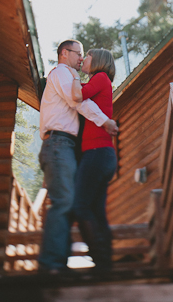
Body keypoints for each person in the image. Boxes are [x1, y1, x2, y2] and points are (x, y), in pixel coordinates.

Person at [38, 40, 119, 274]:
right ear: (65, 54)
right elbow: (78, 100)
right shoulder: (63, 72)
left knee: (72, 204)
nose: (81, 58)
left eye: (85, 55)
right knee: (66, 204)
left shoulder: (75, 76)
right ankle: (52, 264)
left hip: (66, 145)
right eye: (78, 53)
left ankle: (61, 263)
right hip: (59, 142)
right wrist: (105, 120)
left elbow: (83, 98)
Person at [72, 48, 117, 273]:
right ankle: (105, 263)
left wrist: (69, 75)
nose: (83, 60)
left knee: (80, 206)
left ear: (97, 60)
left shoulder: (100, 78)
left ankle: (100, 261)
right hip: (104, 154)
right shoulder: (103, 81)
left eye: (87, 56)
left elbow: (77, 95)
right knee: (97, 211)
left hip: (97, 152)